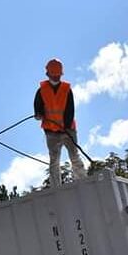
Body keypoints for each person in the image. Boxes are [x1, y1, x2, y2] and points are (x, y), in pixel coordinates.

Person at [34, 58, 87, 188]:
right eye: (54, 75)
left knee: (74, 156)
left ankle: (82, 182)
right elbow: (38, 108)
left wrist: (66, 128)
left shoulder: (66, 89)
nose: (56, 77)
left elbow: (70, 110)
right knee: (54, 161)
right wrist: (39, 115)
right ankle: (56, 188)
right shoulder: (41, 90)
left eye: (58, 75)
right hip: (51, 132)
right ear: (48, 74)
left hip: (67, 130)